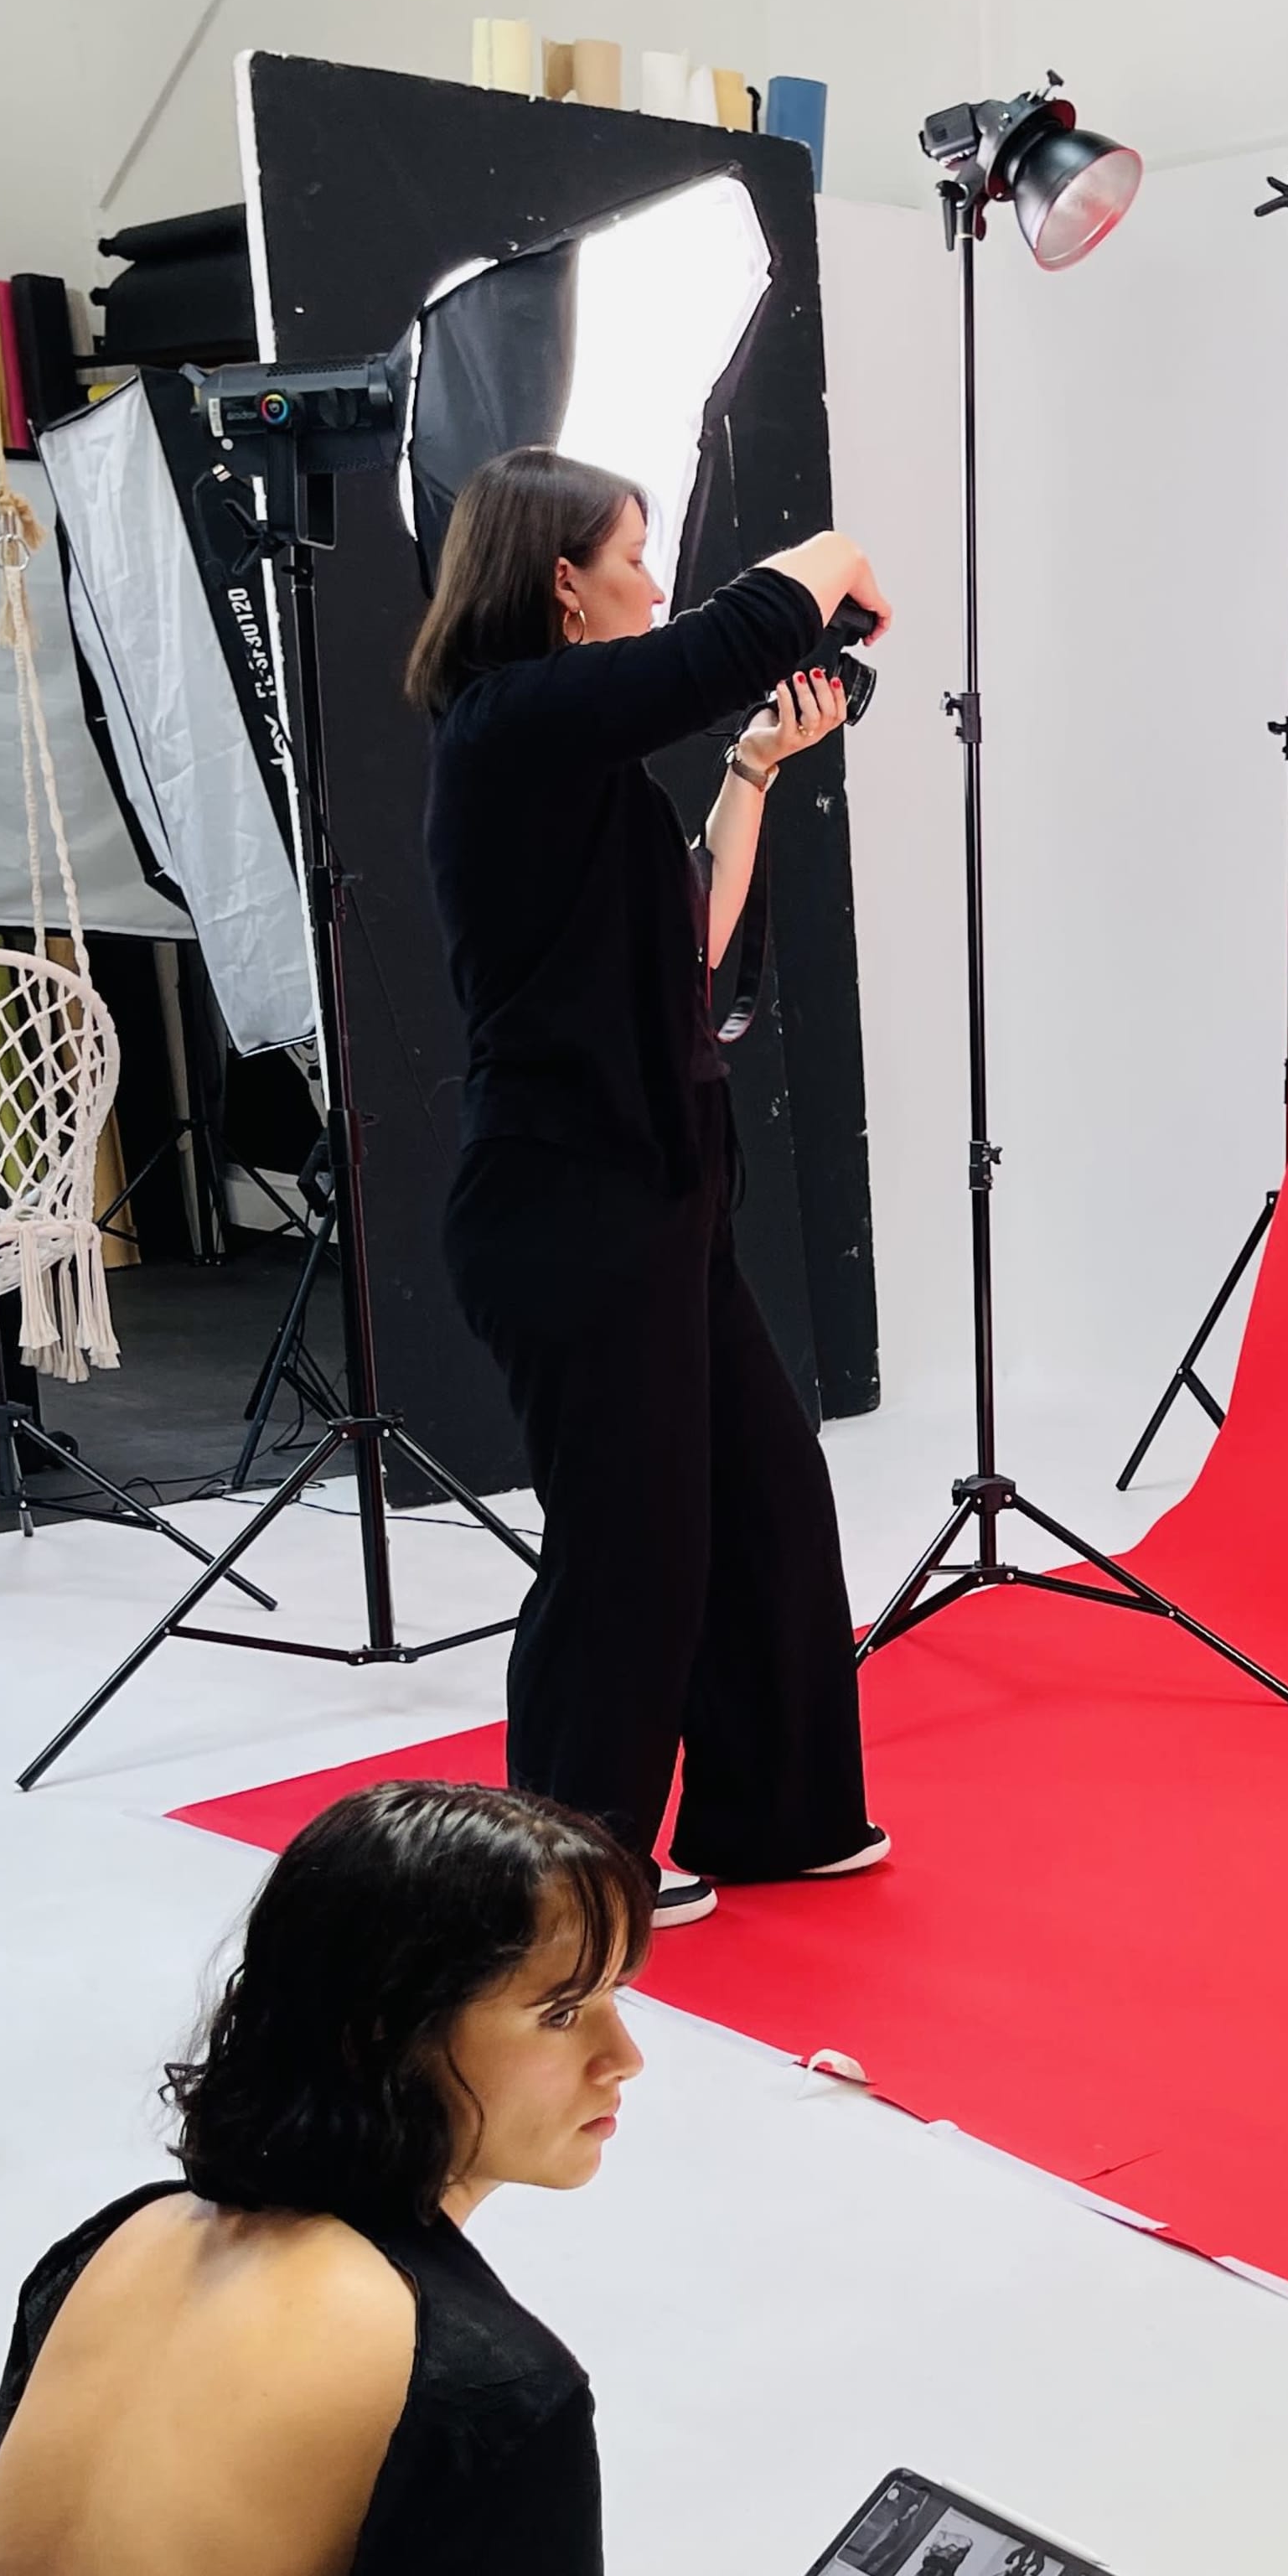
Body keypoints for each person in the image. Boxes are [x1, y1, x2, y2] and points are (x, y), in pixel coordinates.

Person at [0, 1782, 987, 2576]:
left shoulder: (119, 2239)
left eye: (615, 1999)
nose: (625, 2058)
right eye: (562, 2013)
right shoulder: (479, 2379)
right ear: (386, 2032)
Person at [414, 453, 892, 1921]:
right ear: (564, 585)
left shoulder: (575, 761)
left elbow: (690, 952)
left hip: (663, 1203)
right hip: (569, 1210)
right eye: (634, 554)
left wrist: (754, 770)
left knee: (762, 1507)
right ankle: (571, 1872)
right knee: (628, 1545)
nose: (656, 580)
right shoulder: (508, 724)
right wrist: (836, 554)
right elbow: (729, 637)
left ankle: (775, 1817)